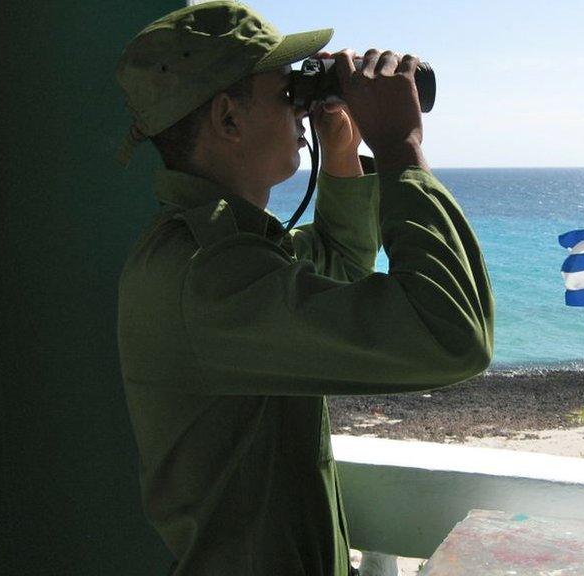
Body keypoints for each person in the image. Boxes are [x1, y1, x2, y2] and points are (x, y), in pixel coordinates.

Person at [114, 2, 494, 575]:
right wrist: (399, 149)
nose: (302, 107)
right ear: (228, 119)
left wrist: (342, 152)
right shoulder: (208, 277)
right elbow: (448, 335)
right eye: (285, 93)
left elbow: (339, 265)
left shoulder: (224, 254)